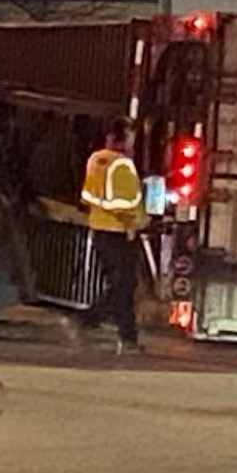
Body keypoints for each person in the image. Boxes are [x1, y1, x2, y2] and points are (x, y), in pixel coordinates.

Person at [77, 118, 146, 355]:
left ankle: (92, 318)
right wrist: (139, 222)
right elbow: (125, 205)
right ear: (121, 139)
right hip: (119, 233)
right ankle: (125, 337)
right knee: (124, 286)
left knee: (119, 285)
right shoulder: (123, 166)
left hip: (99, 229)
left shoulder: (96, 160)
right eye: (130, 137)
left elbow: (88, 197)